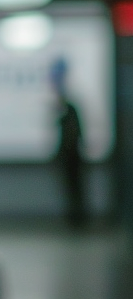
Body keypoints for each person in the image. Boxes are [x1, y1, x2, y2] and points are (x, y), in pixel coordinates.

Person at [51, 58, 86, 228]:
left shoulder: (68, 112)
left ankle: (77, 218)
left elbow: (72, 134)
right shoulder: (67, 112)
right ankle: (75, 218)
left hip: (72, 156)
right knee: (72, 188)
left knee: (75, 188)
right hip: (71, 156)